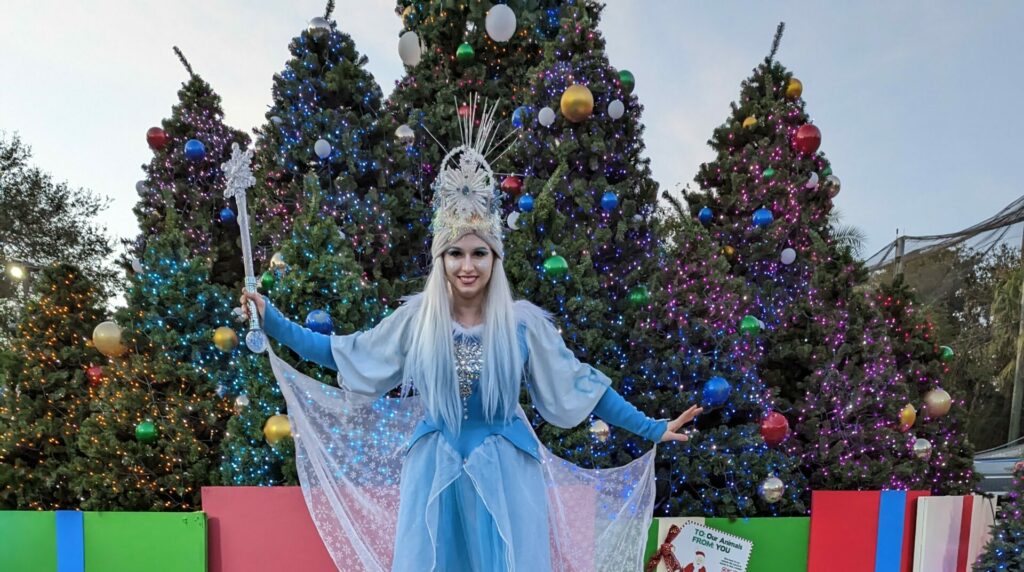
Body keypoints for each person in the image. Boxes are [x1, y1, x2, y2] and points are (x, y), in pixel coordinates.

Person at [238, 104, 701, 572]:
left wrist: (653, 427)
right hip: (434, 474)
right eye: (456, 253)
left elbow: (581, 386)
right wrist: (272, 320)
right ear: (441, 260)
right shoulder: (417, 322)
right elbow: (344, 352)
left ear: (494, 260)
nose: (467, 265)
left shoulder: (522, 326)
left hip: (507, 477)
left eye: (480, 253)